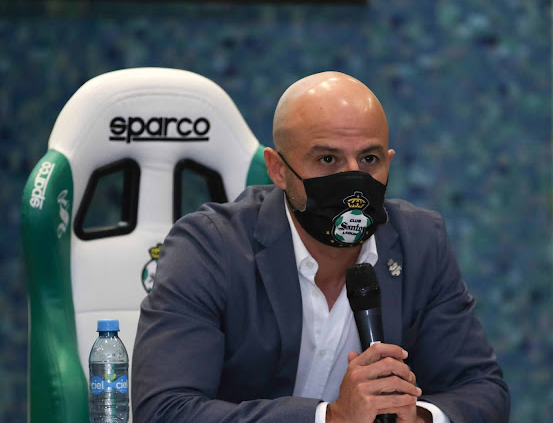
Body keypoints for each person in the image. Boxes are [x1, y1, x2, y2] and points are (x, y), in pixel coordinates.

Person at [132, 72, 510, 423]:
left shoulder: (420, 242)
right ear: (278, 170)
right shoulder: (210, 246)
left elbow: (482, 389)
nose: (353, 179)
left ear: (389, 162)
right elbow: (165, 409)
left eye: (369, 159)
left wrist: (418, 418)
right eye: (328, 159)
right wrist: (331, 418)